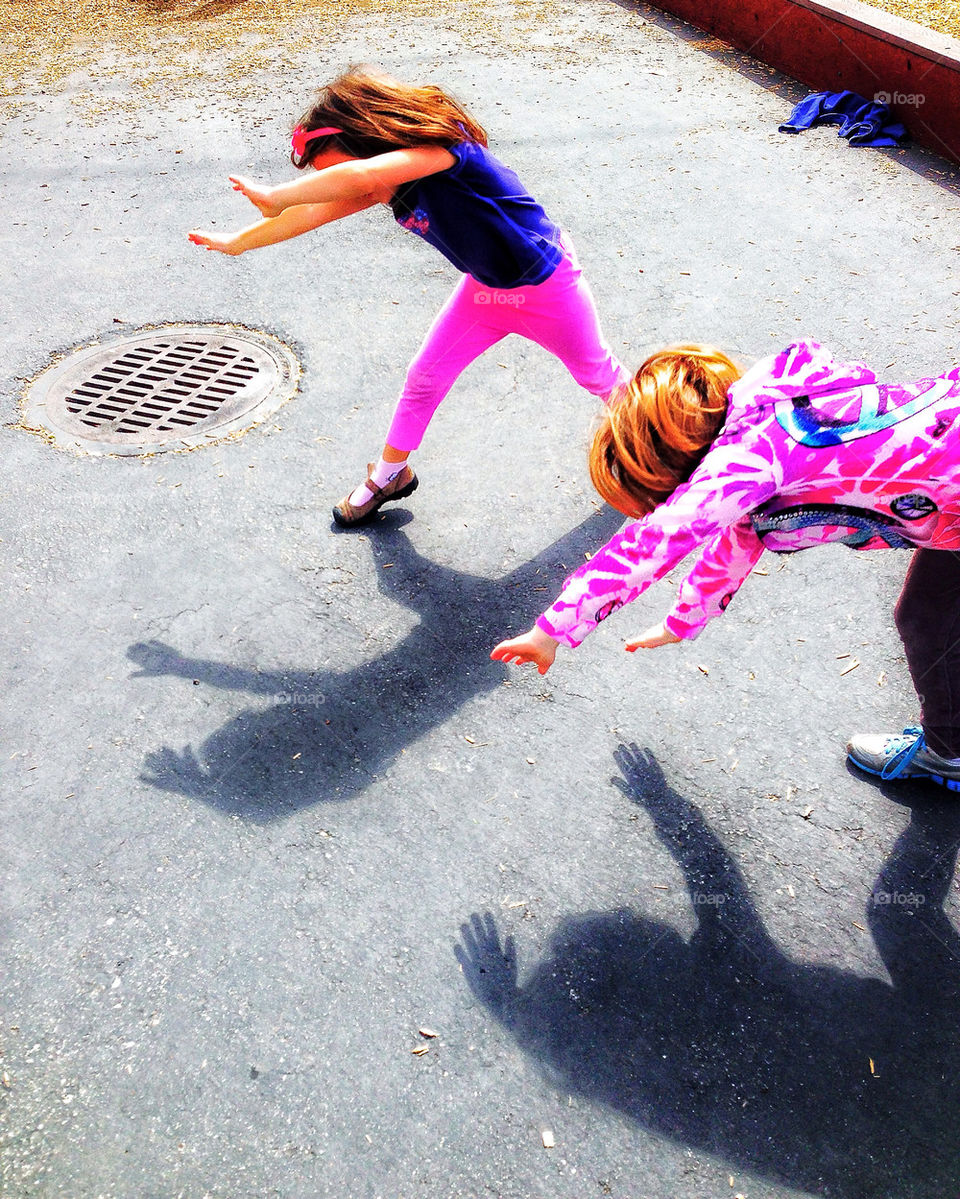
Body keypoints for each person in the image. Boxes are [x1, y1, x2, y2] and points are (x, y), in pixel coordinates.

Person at [491, 338, 960, 791]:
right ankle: (951, 744)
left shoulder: (748, 461)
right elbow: (736, 544)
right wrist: (682, 620)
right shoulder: (770, 417)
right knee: (928, 616)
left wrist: (550, 630)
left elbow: (654, 541)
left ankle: (949, 753)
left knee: (928, 619)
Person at [189, 67, 627, 525]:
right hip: (486, 292)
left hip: (546, 286)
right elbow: (311, 213)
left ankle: (661, 444)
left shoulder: (442, 150)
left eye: (329, 172)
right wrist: (239, 240)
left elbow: (356, 176)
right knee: (424, 376)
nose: (330, 182)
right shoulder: (384, 184)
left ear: (363, 140)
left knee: (598, 375)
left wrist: (276, 196)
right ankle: (391, 473)